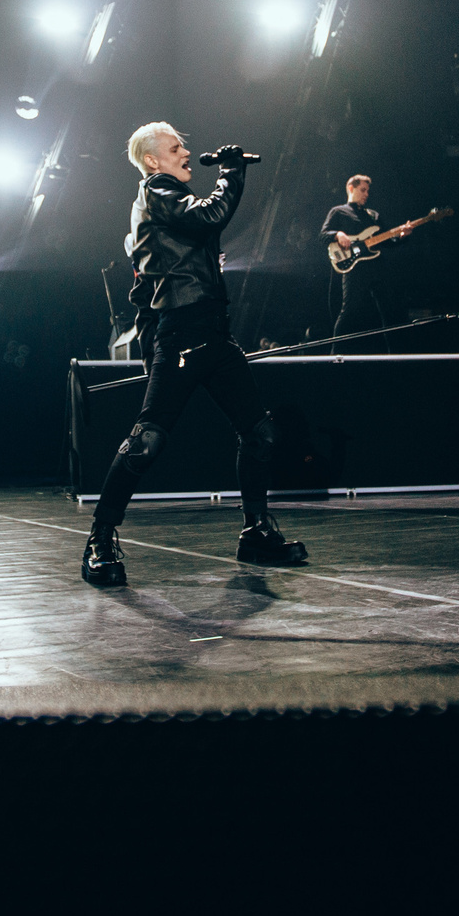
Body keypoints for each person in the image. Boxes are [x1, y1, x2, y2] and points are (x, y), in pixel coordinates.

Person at [83, 122, 309, 587]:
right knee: (148, 440)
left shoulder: (168, 206)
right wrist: (231, 173)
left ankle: (256, 531)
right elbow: (211, 215)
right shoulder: (157, 189)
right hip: (182, 336)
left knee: (260, 433)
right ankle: (100, 540)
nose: (186, 152)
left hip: (214, 334)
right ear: (152, 160)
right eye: (176, 147)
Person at [320, 174, 392, 348]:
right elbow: (323, 235)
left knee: (389, 308)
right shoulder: (339, 211)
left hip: (376, 266)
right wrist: (338, 234)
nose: (366, 194)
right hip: (355, 268)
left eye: (368, 191)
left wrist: (402, 235)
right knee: (349, 311)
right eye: (363, 190)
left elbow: (388, 240)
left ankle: (395, 352)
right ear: (351, 189)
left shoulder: (373, 215)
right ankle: (335, 353)